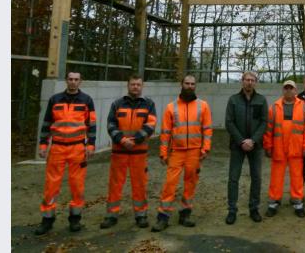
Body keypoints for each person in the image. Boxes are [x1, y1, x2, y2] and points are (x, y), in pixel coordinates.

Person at [35, 71, 97, 235]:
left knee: (77, 185)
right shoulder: (55, 99)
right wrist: (42, 145)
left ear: (80, 81)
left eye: (76, 79)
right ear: (66, 81)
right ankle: (47, 220)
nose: (73, 82)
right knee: (51, 186)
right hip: (57, 149)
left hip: (77, 149)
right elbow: (47, 123)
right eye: (70, 79)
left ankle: (75, 219)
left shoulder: (87, 100)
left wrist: (91, 145)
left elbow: (92, 125)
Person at [152, 75, 213, 232]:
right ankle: (163, 217)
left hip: (194, 152)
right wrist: (163, 153)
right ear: (181, 84)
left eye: (193, 84)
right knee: (169, 184)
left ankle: (185, 214)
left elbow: (207, 130)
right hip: (176, 153)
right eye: (187, 83)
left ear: (196, 86)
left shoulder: (203, 106)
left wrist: (205, 149)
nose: (190, 86)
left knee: (190, 184)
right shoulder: (171, 107)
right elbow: (165, 133)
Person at [100, 75, 157, 230]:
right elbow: (111, 124)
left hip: (139, 153)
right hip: (119, 152)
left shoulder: (149, 104)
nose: (135, 87)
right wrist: (122, 140)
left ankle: (141, 215)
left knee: (139, 184)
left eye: (138, 84)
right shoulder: (117, 104)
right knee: (115, 184)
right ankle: (111, 215)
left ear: (142, 86)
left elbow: (150, 125)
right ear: (128, 85)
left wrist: (135, 140)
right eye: (133, 84)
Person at [264, 81, 305, 217]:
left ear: (295, 90)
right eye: (286, 88)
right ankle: (273, 202)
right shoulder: (274, 107)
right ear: (282, 90)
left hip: (296, 149)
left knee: (297, 177)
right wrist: (268, 146)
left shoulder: (303, 107)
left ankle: (298, 203)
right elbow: (268, 130)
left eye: (290, 88)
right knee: (276, 177)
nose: (288, 91)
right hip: (278, 149)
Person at [225, 71, 268, 224]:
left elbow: (264, 122)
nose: (249, 82)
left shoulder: (261, 100)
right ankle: (231, 210)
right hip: (237, 146)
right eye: (247, 79)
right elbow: (229, 123)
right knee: (233, 178)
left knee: (256, 178)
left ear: (256, 82)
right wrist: (242, 141)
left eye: (252, 80)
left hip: (256, 147)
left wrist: (253, 141)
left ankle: (254, 208)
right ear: (242, 81)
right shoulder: (234, 100)